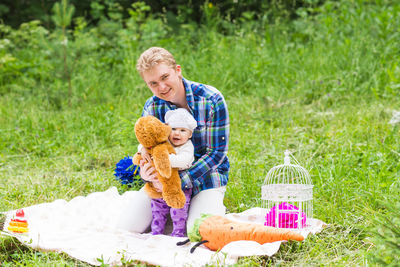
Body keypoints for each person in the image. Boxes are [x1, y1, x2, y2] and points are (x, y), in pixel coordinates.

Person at [116, 47, 229, 234]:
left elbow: (216, 154)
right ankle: (171, 213)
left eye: (164, 77)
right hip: (162, 182)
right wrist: (147, 173)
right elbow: (147, 148)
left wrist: (178, 181)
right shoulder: (152, 105)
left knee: (200, 232)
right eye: (153, 83)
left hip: (206, 177)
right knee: (126, 229)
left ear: (177, 70)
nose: (161, 87)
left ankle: (208, 206)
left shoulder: (211, 99)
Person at [138, 108, 197, 236]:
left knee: (178, 211)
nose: (177, 134)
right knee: (157, 210)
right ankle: (157, 232)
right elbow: (149, 143)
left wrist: (160, 158)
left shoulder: (187, 146)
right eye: (174, 129)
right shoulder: (165, 142)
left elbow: (182, 161)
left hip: (179, 187)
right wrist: (143, 149)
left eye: (183, 130)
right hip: (158, 186)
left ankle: (178, 232)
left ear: (190, 134)